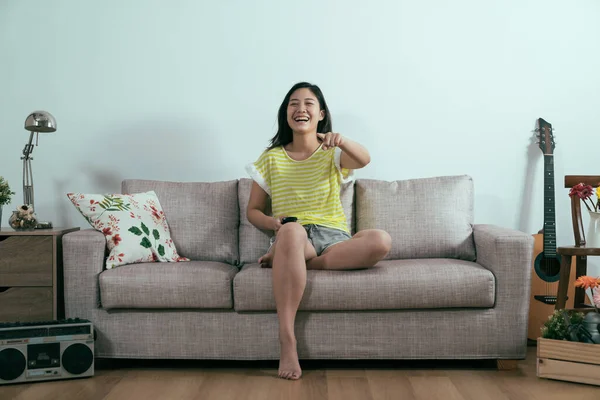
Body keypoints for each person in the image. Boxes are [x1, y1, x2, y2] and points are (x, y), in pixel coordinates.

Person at [245, 82, 392, 380]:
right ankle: (287, 340)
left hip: (334, 238)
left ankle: (293, 263)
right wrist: (274, 224)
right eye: (293, 103)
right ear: (286, 113)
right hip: (295, 235)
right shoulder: (270, 158)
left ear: (321, 113)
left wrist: (341, 141)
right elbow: (253, 211)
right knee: (291, 231)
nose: (301, 109)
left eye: (309, 103)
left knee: (381, 240)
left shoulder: (332, 153)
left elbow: (364, 159)